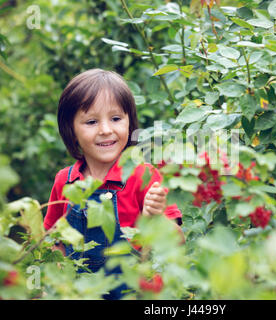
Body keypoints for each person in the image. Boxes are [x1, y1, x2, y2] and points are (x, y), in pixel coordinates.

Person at [43, 68, 183, 299]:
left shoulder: (144, 176)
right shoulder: (65, 181)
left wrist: (157, 218)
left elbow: (177, 242)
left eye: (116, 119)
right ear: (71, 130)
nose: (106, 130)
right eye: (91, 121)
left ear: (130, 123)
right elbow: (53, 242)